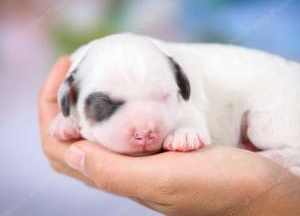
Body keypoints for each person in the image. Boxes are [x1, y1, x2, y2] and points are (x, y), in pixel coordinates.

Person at [39, 57, 300, 216]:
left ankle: (290, 154)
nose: (144, 130)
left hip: (281, 89)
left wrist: (270, 194)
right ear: (68, 95)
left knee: (269, 124)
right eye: (109, 104)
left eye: (161, 98)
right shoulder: (91, 71)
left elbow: (191, 110)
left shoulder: (169, 71)